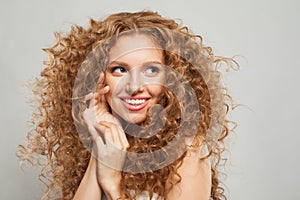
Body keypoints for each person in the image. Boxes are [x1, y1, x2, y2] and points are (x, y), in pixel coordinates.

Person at [18, 11, 238, 200]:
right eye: (120, 70)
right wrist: (100, 141)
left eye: (151, 70)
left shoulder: (187, 150)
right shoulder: (100, 141)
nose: (134, 87)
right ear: (98, 78)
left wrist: (114, 187)